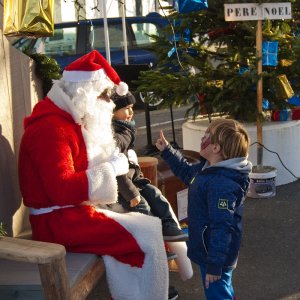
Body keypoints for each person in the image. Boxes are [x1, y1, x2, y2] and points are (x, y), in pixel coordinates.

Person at [18, 50, 170, 300]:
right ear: (82, 92)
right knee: (147, 239)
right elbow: (62, 189)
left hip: (69, 214)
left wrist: (111, 162)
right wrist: (111, 169)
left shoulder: (69, 119)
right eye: (103, 95)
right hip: (57, 223)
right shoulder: (51, 129)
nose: (110, 102)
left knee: (149, 230)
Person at [156, 118, 252, 300]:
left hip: (215, 255)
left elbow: (223, 226)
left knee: (217, 294)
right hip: (209, 250)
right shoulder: (208, 169)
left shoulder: (221, 185)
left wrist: (215, 264)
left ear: (216, 148)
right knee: (222, 290)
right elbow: (186, 173)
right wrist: (168, 151)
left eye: (206, 136)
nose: (202, 139)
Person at [111, 91, 188, 242]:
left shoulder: (124, 128)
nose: (131, 112)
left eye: (132, 107)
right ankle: (154, 242)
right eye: (126, 108)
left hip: (134, 180)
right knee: (143, 208)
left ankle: (169, 226)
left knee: (156, 194)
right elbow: (115, 161)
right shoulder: (113, 133)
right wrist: (131, 192)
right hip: (122, 187)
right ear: (112, 111)